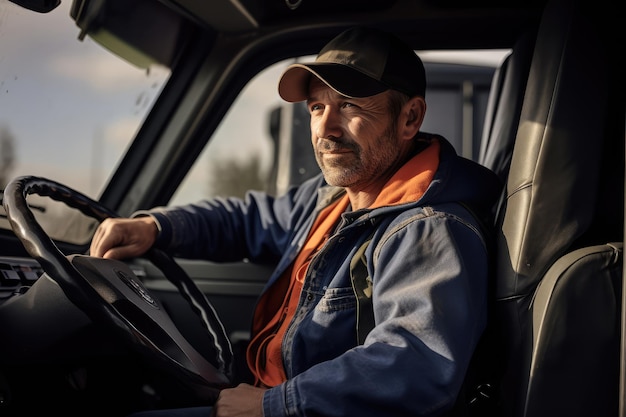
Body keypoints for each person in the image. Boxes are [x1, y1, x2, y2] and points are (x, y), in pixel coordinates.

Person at [90, 26, 501, 417]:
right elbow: (245, 219)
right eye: (317, 107)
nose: (325, 128)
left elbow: (414, 366)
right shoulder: (333, 200)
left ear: (410, 118)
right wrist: (155, 227)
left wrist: (274, 405)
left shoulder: (428, 229)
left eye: (349, 105)